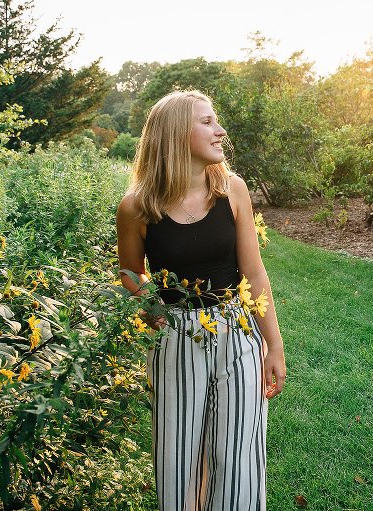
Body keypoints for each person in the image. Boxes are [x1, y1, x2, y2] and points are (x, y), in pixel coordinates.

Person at [116, 89, 286, 511]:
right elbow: (130, 272)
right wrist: (152, 306)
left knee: (238, 460)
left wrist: (274, 345)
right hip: (176, 342)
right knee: (177, 462)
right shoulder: (137, 206)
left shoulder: (233, 190)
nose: (220, 131)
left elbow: (255, 272)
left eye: (216, 120)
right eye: (207, 122)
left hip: (237, 335)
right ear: (175, 134)